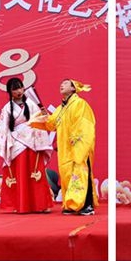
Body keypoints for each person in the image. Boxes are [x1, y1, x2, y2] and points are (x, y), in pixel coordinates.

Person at [29, 79, 97, 215]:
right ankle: (71, 205)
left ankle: (87, 205)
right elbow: (51, 124)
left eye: (66, 83)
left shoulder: (80, 104)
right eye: (61, 83)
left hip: (78, 145)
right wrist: (44, 115)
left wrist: (78, 143)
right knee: (68, 175)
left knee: (81, 173)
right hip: (66, 148)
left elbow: (85, 125)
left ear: (73, 88)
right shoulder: (61, 109)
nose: (62, 85)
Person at [0, 77, 53, 213]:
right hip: (16, 143)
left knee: (35, 173)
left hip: (33, 140)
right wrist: (6, 143)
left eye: (20, 87)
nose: (19, 91)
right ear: (10, 92)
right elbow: (3, 128)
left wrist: (44, 114)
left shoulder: (31, 103)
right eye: (15, 89)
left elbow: (41, 120)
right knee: (20, 174)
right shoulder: (7, 108)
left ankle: (40, 205)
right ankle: (18, 205)